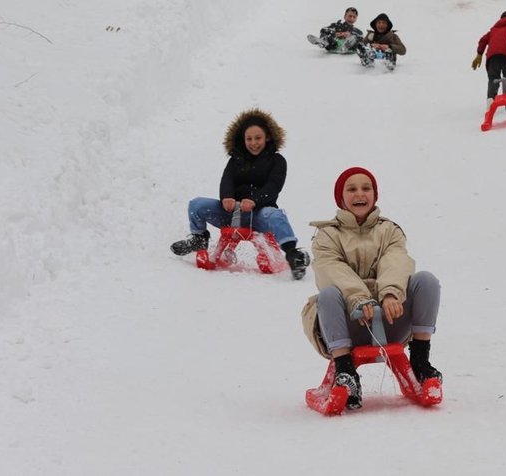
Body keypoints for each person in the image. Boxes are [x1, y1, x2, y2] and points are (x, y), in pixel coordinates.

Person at [300, 167, 441, 409]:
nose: (359, 194)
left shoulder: (390, 231)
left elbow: (396, 261)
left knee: (426, 281)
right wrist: (359, 298)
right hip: (348, 322)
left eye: (366, 188)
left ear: (374, 195)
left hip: (390, 318)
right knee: (328, 294)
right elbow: (331, 270)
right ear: (341, 197)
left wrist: (390, 293)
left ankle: (420, 362)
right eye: (351, 189)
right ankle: (345, 371)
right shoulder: (327, 236)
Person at [170, 108, 311, 280]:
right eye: (249, 139)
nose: (253, 143)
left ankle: (292, 254)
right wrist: (226, 197)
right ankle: (199, 238)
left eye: (258, 138)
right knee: (197, 204)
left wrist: (254, 200)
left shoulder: (277, 161)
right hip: (232, 213)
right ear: (243, 140)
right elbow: (227, 180)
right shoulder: (235, 160)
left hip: (259, 214)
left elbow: (273, 187)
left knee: (276, 215)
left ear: (267, 137)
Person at [471, 11, 506, 110]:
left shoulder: (494, 29)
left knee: (493, 78)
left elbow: (483, 40)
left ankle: (490, 100)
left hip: (493, 55)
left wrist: (479, 54)